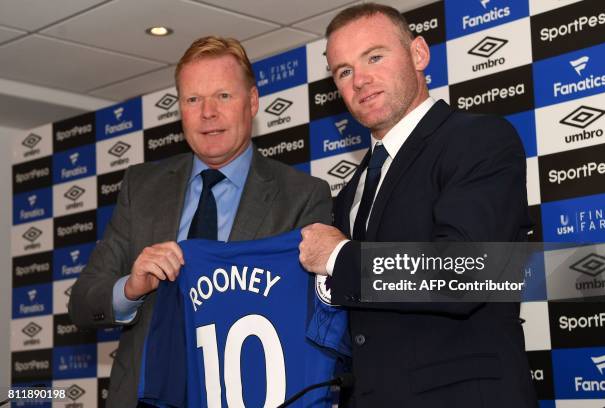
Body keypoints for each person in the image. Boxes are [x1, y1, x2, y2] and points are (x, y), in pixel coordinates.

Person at [69, 36, 332, 407]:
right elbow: (82, 303)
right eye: (193, 99)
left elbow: (313, 321)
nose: (208, 112)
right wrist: (131, 287)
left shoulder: (302, 195)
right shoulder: (140, 188)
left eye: (223, 96)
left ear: (253, 102)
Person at [298, 4, 538, 407]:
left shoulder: (478, 140)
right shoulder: (353, 188)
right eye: (343, 71)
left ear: (419, 54)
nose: (360, 80)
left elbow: (466, 272)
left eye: (374, 57)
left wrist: (339, 258)